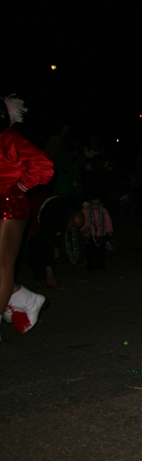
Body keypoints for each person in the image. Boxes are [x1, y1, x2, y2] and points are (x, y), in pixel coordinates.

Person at [0, 95, 54, 335]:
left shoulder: (7, 138)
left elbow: (43, 164)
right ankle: (24, 298)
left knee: (2, 267)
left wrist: (19, 188)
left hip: (9, 206)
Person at [27, 195, 84, 287]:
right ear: (69, 220)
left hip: (55, 210)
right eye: (73, 226)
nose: (74, 230)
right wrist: (50, 274)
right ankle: (36, 270)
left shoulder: (71, 208)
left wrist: (56, 246)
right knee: (37, 243)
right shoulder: (51, 218)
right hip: (36, 211)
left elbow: (59, 232)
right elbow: (47, 243)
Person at [81, 195, 113, 271]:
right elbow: (82, 220)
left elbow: (107, 220)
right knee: (90, 251)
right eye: (93, 204)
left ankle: (100, 265)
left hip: (101, 233)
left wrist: (109, 230)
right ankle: (90, 266)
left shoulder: (103, 210)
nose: (95, 206)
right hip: (90, 234)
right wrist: (84, 229)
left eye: (97, 204)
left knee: (101, 251)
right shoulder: (85, 211)